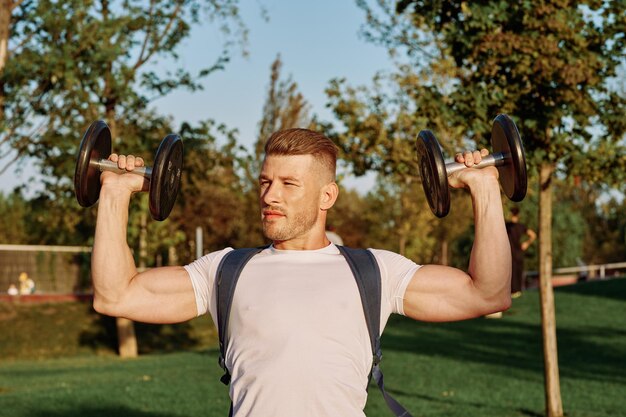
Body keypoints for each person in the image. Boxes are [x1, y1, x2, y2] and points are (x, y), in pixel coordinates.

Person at [91, 128, 511, 417]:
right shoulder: (226, 270)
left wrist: (486, 187)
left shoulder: (374, 270)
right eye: (265, 182)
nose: (270, 196)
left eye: (289, 184)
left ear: (327, 195)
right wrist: (115, 193)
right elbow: (116, 296)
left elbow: (487, 294)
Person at [505, 207, 536, 297]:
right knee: (517, 272)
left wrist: (526, 243)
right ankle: (517, 291)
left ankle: (515, 292)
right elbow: (533, 235)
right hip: (517, 253)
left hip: (513, 253)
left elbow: (533, 235)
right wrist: (526, 243)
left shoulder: (507, 226)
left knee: (513, 272)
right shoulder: (519, 226)